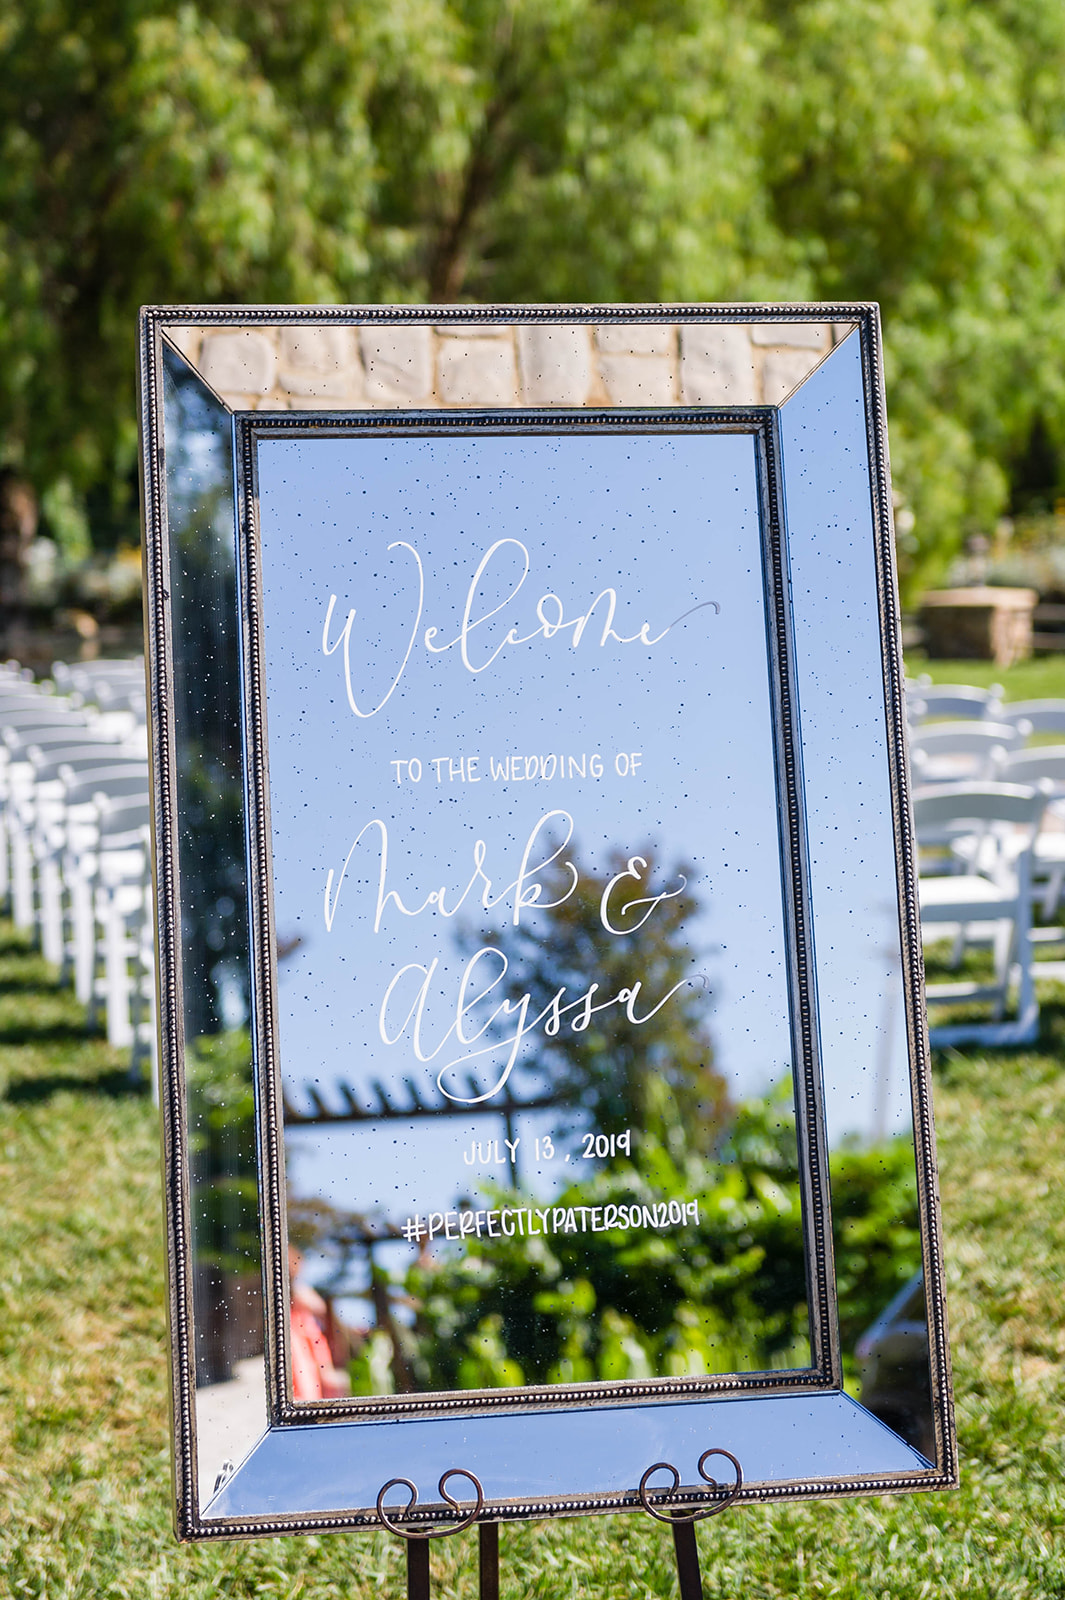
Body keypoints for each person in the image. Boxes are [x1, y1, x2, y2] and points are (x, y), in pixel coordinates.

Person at [288, 1245, 352, 1400]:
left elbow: (318, 1306)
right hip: (301, 1383)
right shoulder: (294, 1318)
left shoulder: (302, 1317)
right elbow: (318, 1306)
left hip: (308, 1380)